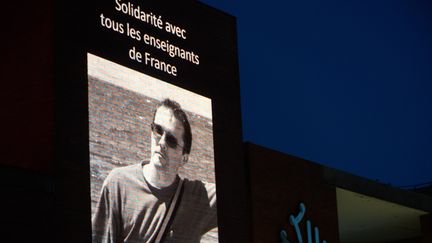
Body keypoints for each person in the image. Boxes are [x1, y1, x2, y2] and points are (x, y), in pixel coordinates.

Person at [92, 99, 217, 243]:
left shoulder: (199, 198)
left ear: (184, 158)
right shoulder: (118, 183)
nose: (162, 142)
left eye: (171, 140)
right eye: (158, 130)